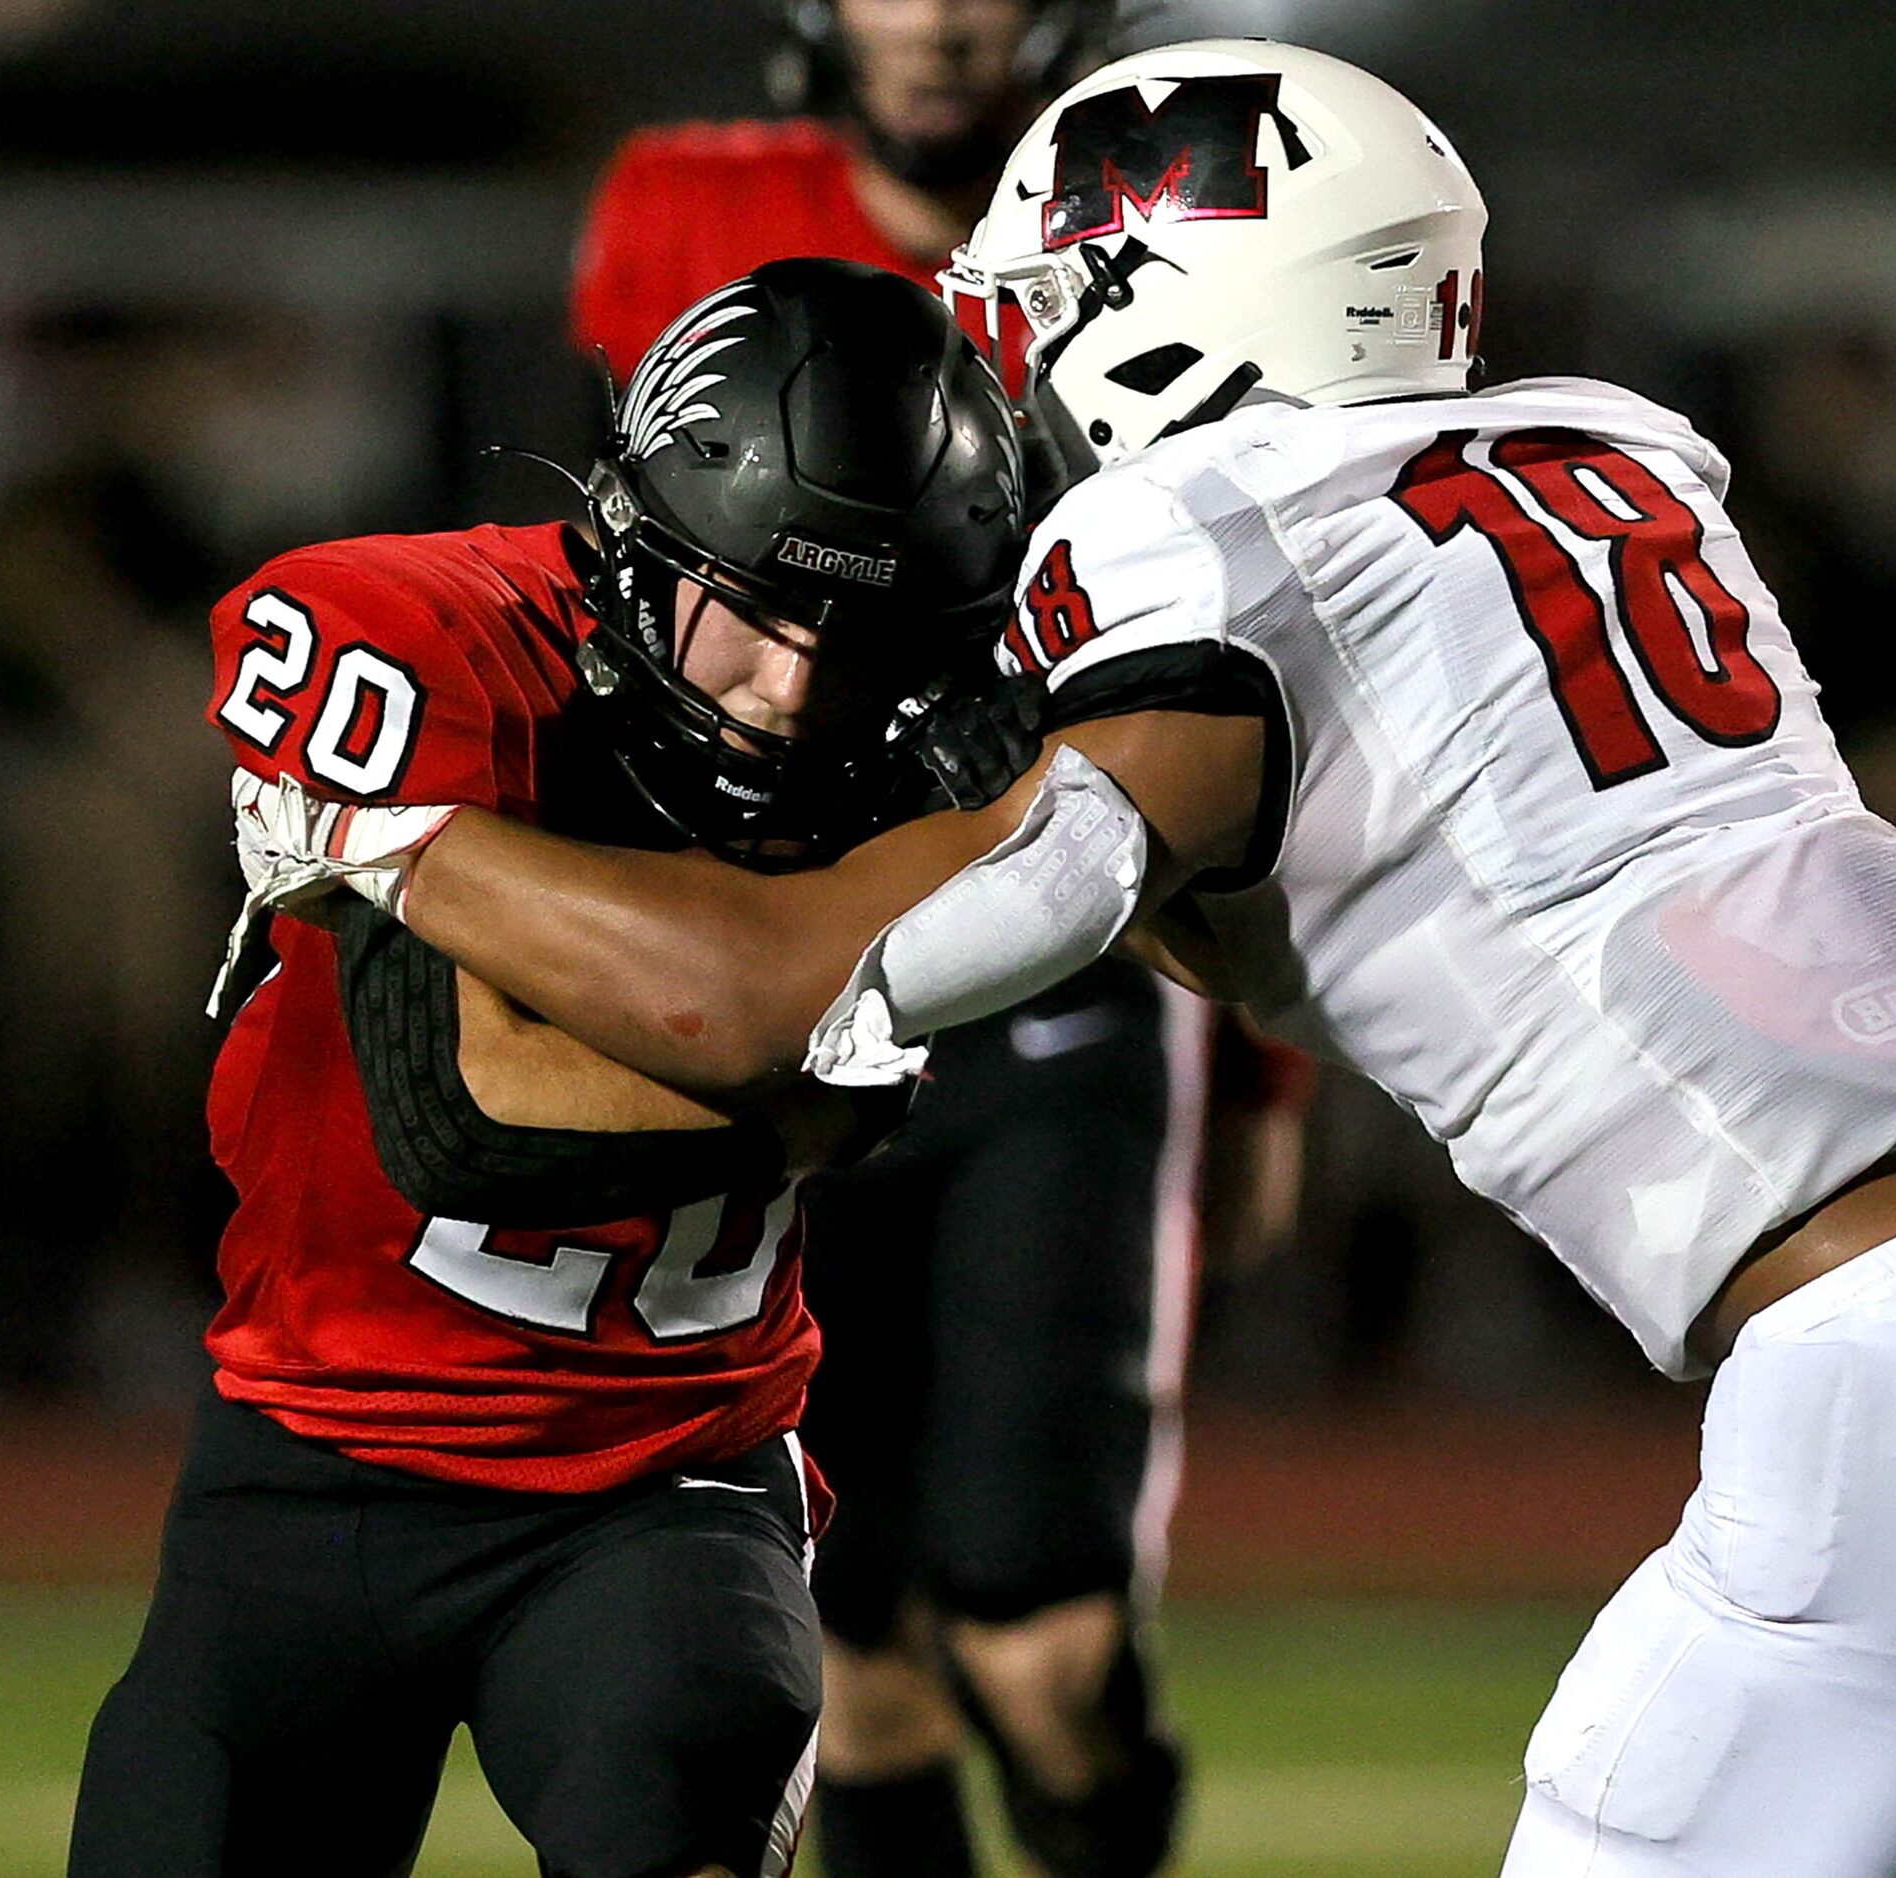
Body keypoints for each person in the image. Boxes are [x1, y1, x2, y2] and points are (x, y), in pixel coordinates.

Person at [227, 38, 1896, 1876]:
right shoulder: (1615, 454)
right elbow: (1353, 874)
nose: (1029, 372)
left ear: (1179, 307)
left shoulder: (1200, 525)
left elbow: (772, 991)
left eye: (1057, 305)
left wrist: (387, 840)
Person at [71, 260, 1027, 1878]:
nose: (797, 690)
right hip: (313, 1462)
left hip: (667, 1486)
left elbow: (704, 1076)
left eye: (861, 639)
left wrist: (418, 862)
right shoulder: (407, 635)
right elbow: (463, 1116)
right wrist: (786, 1032)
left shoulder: (953, 746)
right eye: (767, 612)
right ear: (647, 540)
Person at [574, 8, 1204, 1876]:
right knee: (851, 1657)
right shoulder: (677, 204)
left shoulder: (1157, 220)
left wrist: (1254, 1066)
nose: (933, 15)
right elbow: (589, 578)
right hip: (779, 963)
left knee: (1046, 1643)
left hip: (1058, 960)